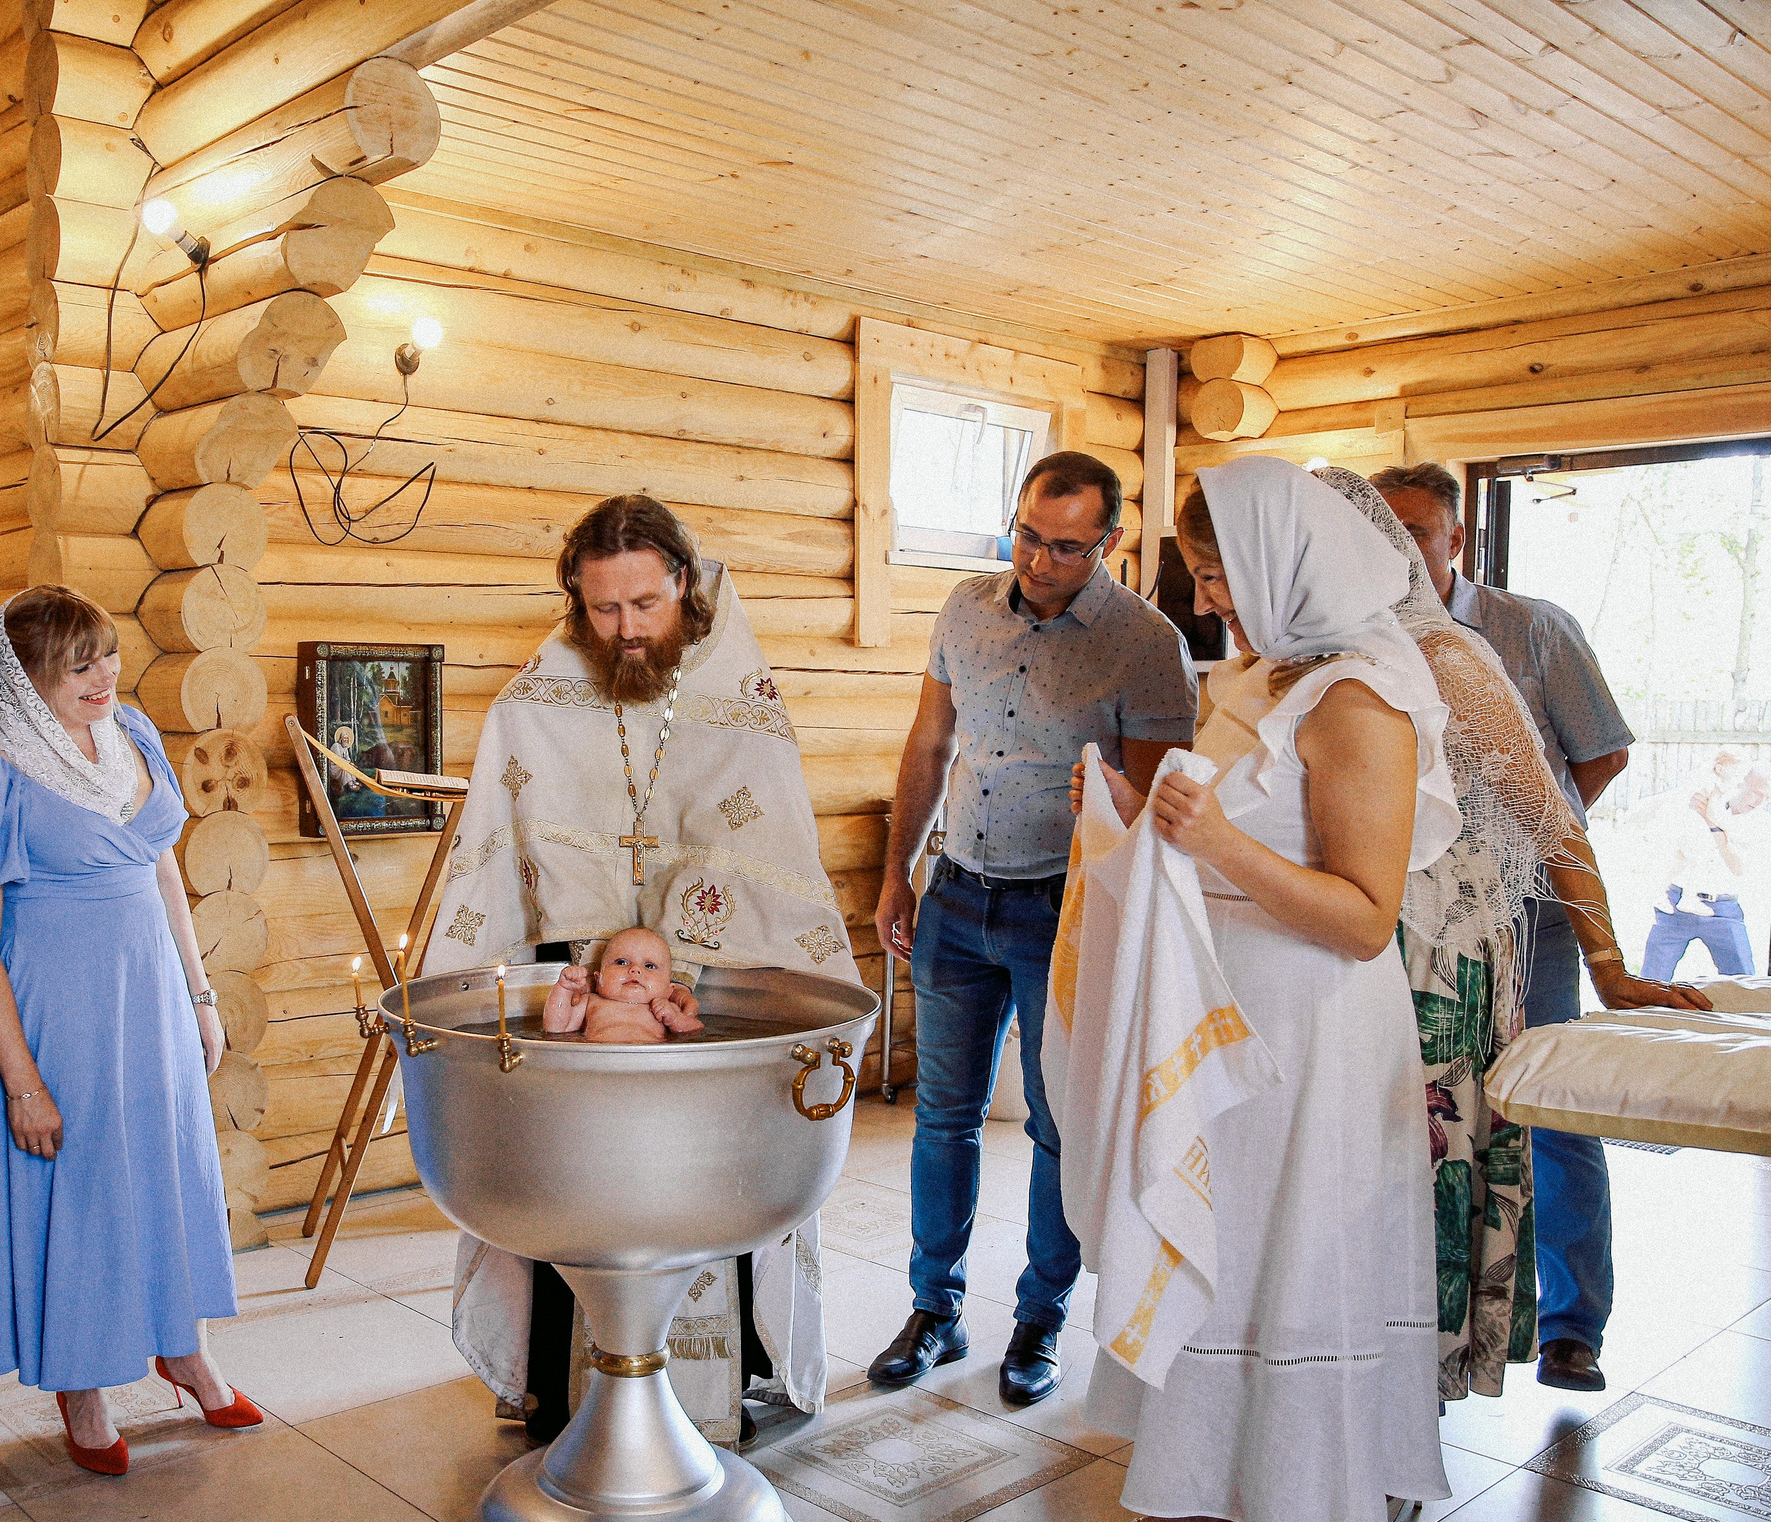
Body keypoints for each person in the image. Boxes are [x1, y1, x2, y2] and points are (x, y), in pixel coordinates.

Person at [1078, 455, 1461, 1522]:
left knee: (1291, 1262)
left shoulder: (1358, 699)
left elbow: (1364, 916)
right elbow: (1220, 833)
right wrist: (1137, 826)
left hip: (1311, 1036)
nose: (1209, 603)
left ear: (1284, 565)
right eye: (1201, 578)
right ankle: (1200, 1492)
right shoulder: (1257, 674)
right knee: (1224, 1256)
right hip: (1222, 1023)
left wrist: (1216, 846)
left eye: (1220, 578)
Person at [429, 495, 857, 1447]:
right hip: (577, 984)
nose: (624, 629)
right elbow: (501, 841)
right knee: (565, 1175)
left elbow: (770, 841)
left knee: (707, 1173)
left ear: (684, 585)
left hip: (706, 973)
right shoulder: (535, 701)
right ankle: (558, 1392)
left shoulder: (740, 699)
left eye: (644, 605)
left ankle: (715, 1384)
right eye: (602, 608)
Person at [870, 451, 1198, 1407]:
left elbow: (1156, 808)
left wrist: (1116, 801)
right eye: (1025, 536)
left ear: (1110, 540)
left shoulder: (1147, 644)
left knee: (1055, 1128)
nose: (1038, 561)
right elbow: (931, 743)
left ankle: (1039, 1319)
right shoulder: (965, 609)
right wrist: (897, 871)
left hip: (1065, 912)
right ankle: (935, 1309)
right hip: (956, 894)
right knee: (943, 1115)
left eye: (1064, 546)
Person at [0, 587, 257, 1476]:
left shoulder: (134, 732)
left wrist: (200, 995)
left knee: (165, 1170)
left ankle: (183, 1350)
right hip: (60, 1011)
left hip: (152, 995)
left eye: (106, 655)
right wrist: (22, 1082)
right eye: (77, 666)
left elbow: (163, 870)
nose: (103, 676)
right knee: (78, 1191)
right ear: (24, 678)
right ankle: (81, 1386)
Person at [1373, 462, 1645, 1393]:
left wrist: (1515, 841)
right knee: (1439, 1113)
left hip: (1535, 906)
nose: (1398, 548)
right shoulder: (1363, 635)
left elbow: (1599, 753)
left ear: (1457, 538)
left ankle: (1573, 1324)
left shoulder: (1531, 629)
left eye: (1416, 531)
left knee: (1549, 1103)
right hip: (1411, 914)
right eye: (1380, 530)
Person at [1638, 752, 1771, 979]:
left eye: (1766, 797)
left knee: (1743, 980)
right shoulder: (1702, 797)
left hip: (1723, 908)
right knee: (1651, 979)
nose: (1759, 801)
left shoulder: (1762, 823)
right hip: (1676, 904)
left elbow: (1738, 867)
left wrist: (1713, 824)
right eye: (1756, 793)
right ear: (1740, 784)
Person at [541, 926, 706, 1040]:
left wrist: (676, 1020)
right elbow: (556, 1028)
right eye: (621, 962)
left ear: (669, 990)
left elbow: (695, 1029)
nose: (635, 969)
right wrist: (564, 989)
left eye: (649, 966)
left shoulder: (665, 1008)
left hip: (650, 1063)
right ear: (598, 979)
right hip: (599, 1062)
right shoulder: (590, 1002)